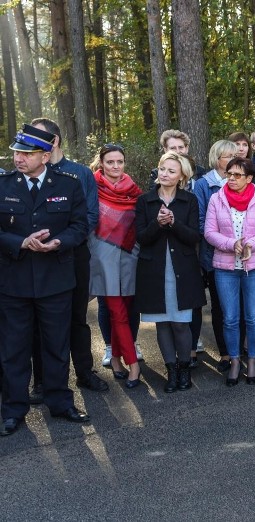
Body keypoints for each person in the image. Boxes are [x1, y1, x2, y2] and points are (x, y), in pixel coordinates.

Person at [0, 124, 90, 436]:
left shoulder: (69, 184)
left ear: (45, 155)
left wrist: (59, 242)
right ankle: (13, 410)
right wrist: (20, 242)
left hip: (55, 279)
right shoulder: (3, 185)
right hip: (14, 281)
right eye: (16, 152)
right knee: (14, 348)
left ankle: (61, 402)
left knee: (56, 345)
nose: (18, 158)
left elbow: (80, 225)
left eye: (26, 153)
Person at [31, 118, 109, 393]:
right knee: (39, 322)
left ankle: (84, 373)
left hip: (74, 256)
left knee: (77, 318)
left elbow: (90, 215)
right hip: (38, 259)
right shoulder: (30, 172)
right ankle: (42, 382)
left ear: (54, 142)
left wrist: (61, 241)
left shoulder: (79, 174)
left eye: (37, 140)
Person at [135, 152, 207, 393]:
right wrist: (157, 223)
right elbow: (141, 237)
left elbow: (195, 237)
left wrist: (174, 222)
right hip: (154, 270)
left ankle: (185, 367)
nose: (164, 174)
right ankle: (172, 371)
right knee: (162, 324)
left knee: (180, 324)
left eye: (171, 171)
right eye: (162, 169)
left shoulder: (190, 200)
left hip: (182, 270)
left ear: (182, 177)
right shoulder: (145, 201)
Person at [204, 157, 255, 386]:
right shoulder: (217, 198)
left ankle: (252, 359)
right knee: (230, 318)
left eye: (237, 175)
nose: (231, 178)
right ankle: (234, 360)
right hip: (225, 267)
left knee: (253, 317)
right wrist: (231, 243)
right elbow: (209, 232)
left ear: (249, 178)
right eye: (229, 174)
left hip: (253, 266)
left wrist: (251, 243)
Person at [89, 143, 144, 388]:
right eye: (110, 162)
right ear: (101, 163)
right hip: (102, 256)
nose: (115, 166)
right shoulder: (91, 187)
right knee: (116, 312)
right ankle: (134, 365)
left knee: (127, 310)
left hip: (130, 255)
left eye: (119, 162)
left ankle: (117, 360)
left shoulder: (134, 191)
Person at [195, 139, 238, 372]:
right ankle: (224, 353)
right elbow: (200, 221)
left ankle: (239, 351)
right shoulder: (204, 185)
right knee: (221, 307)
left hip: (243, 256)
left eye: (236, 155)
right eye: (227, 156)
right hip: (215, 255)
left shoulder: (242, 180)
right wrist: (225, 240)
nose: (233, 159)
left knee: (240, 306)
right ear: (216, 159)